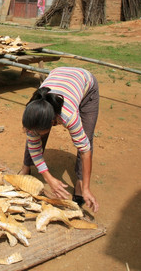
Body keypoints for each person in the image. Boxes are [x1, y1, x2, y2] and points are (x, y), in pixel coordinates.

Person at [20, 67, 100, 212]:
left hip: (85, 83)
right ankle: (26, 167)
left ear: (53, 122)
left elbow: (85, 150)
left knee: (85, 137)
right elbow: (34, 146)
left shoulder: (68, 116)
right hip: (59, 75)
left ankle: (80, 184)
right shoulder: (34, 107)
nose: (33, 133)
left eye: (39, 131)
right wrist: (49, 178)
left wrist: (87, 187)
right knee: (34, 135)